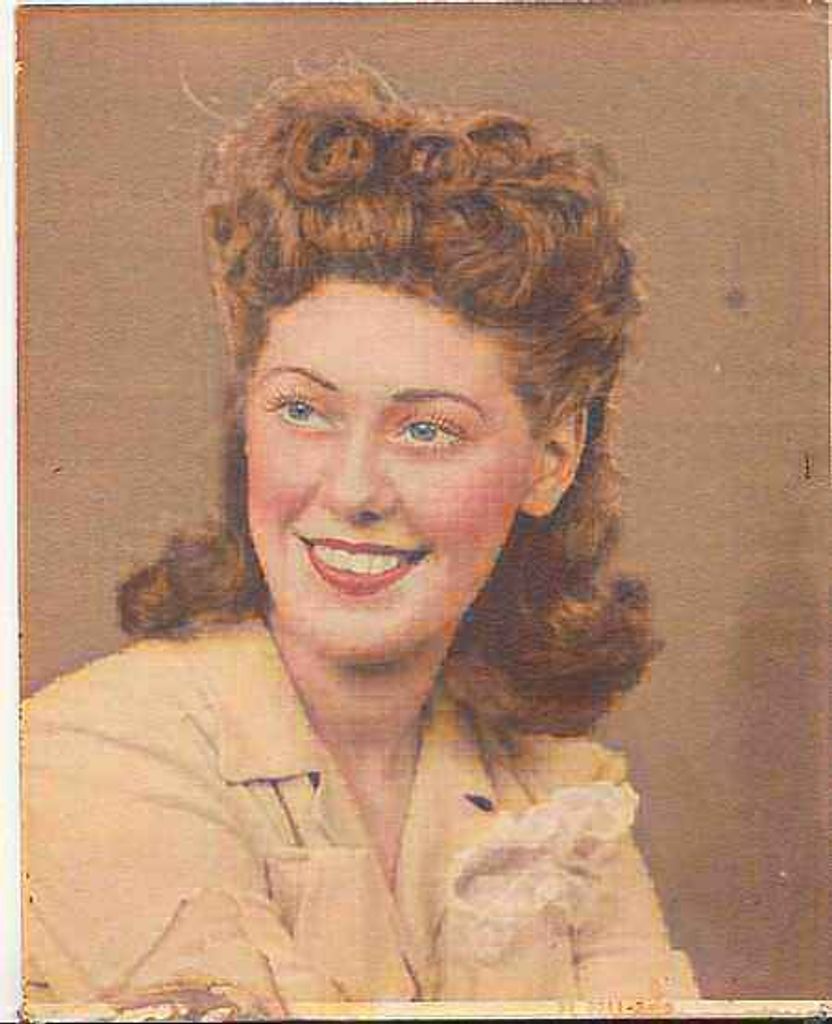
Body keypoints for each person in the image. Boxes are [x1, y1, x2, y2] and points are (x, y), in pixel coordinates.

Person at [23, 64, 699, 1018]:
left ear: (551, 460)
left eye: (426, 429)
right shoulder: (95, 755)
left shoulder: (554, 787)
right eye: (303, 410)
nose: (350, 492)